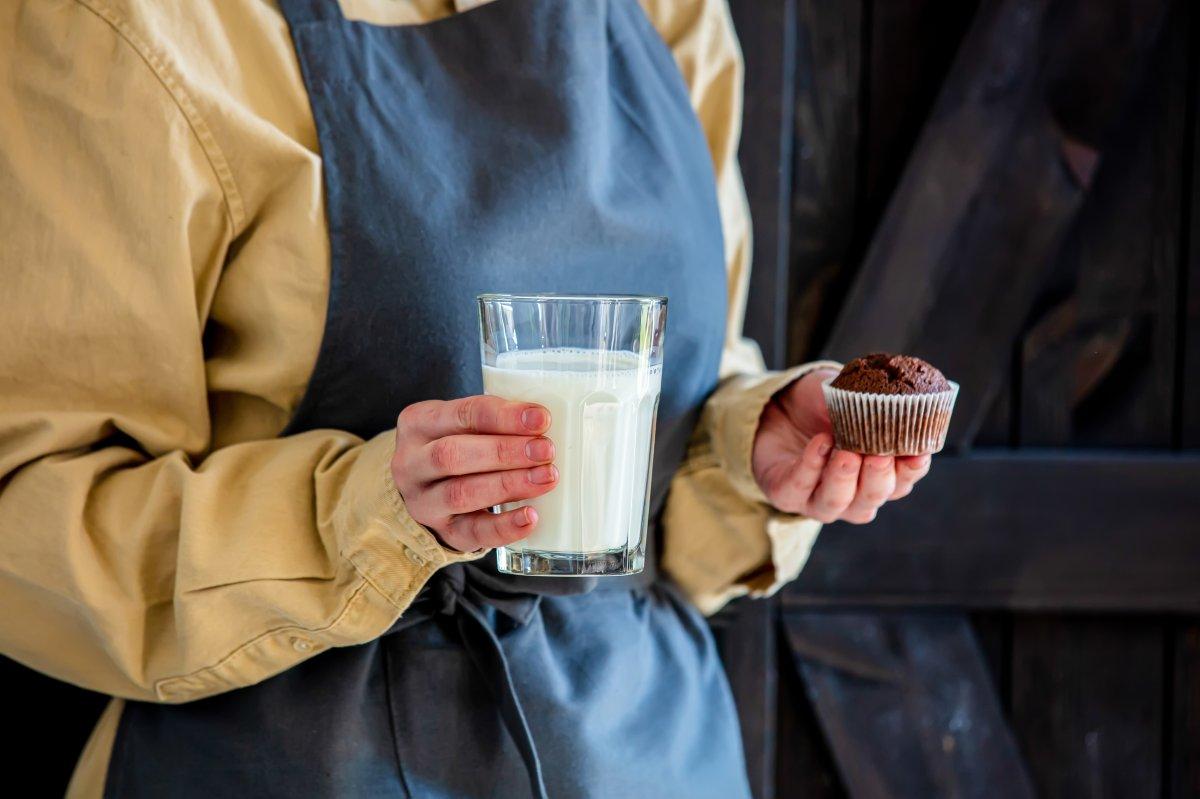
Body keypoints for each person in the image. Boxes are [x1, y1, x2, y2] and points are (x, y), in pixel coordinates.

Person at [0, 1, 932, 796]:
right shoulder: (129, 26)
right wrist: (368, 517)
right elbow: (27, 515)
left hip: (654, 751)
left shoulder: (669, 13)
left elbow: (682, 442)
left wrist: (747, 443)